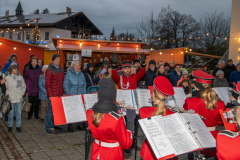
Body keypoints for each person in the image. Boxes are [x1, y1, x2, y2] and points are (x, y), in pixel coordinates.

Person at [86, 78, 135, 160]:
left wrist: (114, 108)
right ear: (113, 95)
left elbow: (103, 114)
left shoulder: (89, 113)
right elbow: (127, 144)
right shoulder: (117, 119)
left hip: (96, 152)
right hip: (112, 154)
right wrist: (130, 120)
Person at [183, 70, 225, 157]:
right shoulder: (220, 103)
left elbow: (185, 119)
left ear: (196, 85)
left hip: (196, 137)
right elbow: (221, 122)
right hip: (213, 138)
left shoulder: (190, 101)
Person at [140, 76, 175, 160]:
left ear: (153, 94)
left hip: (150, 154)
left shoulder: (143, 111)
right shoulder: (173, 113)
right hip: (168, 153)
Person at [63, 61, 86, 132]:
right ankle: (70, 125)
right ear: (73, 67)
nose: (78, 67)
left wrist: (84, 94)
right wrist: (68, 93)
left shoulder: (81, 74)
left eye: (79, 66)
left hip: (80, 95)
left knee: (80, 110)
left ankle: (79, 125)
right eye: (76, 66)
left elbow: (84, 84)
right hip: (71, 95)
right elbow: (65, 85)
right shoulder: (69, 74)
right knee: (71, 111)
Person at [45, 54, 65, 135]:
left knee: (57, 111)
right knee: (50, 112)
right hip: (53, 95)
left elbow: (62, 82)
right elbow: (47, 84)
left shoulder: (61, 69)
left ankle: (55, 124)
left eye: (59, 59)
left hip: (60, 94)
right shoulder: (49, 70)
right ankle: (48, 127)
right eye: (56, 59)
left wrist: (63, 92)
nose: (58, 60)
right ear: (53, 60)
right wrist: (50, 95)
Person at [5, 64, 26, 132]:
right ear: (11, 70)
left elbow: (23, 87)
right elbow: (5, 88)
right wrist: (8, 95)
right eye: (14, 69)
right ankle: (10, 126)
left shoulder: (20, 78)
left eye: (16, 69)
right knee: (11, 114)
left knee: (18, 113)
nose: (15, 70)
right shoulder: (7, 78)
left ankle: (18, 126)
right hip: (11, 98)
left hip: (19, 98)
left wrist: (22, 94)